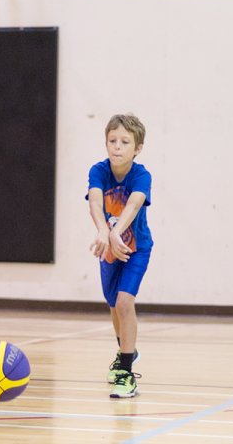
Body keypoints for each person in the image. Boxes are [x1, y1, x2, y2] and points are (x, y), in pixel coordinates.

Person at [87, 113, 153, 399]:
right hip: (109, 250)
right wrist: (103, 232)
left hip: (135, 249)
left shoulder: (141, 175)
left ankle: (126, 373)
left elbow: (134, 205)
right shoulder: (98, 171)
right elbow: (95, 201)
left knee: (126, 303)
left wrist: (117, 232)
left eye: (125, 142)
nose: (117, 146)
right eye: (112, 140)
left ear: (137, 148)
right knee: (114, 305)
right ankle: (127, 349)